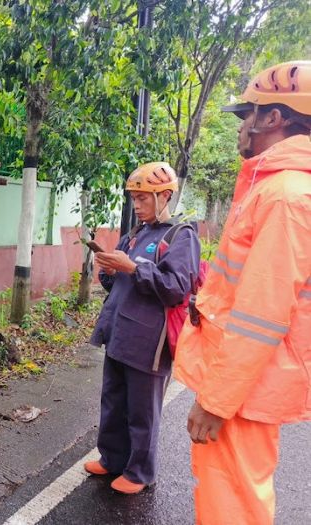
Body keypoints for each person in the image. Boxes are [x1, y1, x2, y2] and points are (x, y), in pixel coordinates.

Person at [174, 60, 311, 524]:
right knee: (228, 493)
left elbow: (262, 313)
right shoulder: (273, 187)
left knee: (233, 500)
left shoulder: (286, 197)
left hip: (245, 390)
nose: (241, 127)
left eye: (246, 113)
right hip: (246, 383)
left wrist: (216, 400)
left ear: (274, 118)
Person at [85, 162, 201, 494]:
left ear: (165, 196)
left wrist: (133, 267)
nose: (136, 206)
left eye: (143, 199)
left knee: (142, 411)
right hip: (119, 334)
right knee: (113, 402)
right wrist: (109, 268)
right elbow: (119, 284)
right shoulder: (136, 234)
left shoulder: (181, 236)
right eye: (134, 199)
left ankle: (139, 472)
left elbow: (177, 287)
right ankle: (112, 458)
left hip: (149, 341)